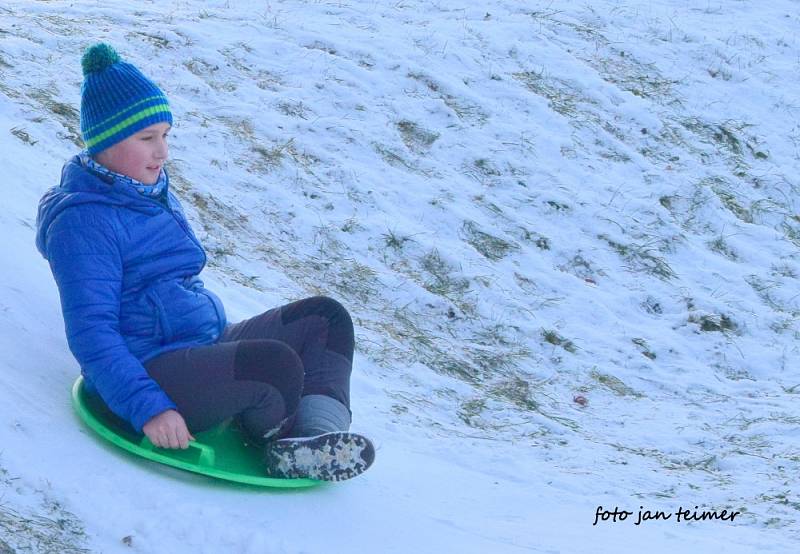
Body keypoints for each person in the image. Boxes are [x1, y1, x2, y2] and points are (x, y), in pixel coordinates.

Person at [35, 43, 374, 482]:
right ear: (105, 142)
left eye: (165, 135)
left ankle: (317, 438)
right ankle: (282, 442)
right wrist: (149, 407)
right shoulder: (83, 224)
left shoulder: (142, 189)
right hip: (153, 370)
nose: (163, 152)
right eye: (147, 138)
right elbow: (91, 333)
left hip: (199, 341)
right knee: (276, 366)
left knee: (325, 318)